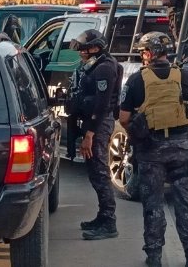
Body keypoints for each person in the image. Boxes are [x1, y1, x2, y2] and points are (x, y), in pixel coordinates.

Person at [119, 31, 188, 267]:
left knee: (153, 203)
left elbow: (123, 118)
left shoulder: (137, 80)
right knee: (185, 201)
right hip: (182, 148)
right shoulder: (184, 75)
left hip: (151, 150)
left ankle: (154, 256)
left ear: (149, 53)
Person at [66, 29, 123, 240]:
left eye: (84, 50)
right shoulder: (94, 65)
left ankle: (109, 222)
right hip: (92, 123)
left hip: (98, 124)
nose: (81, 53)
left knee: (99, 171)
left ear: (96, 48)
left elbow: (102, 104)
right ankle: (103, 215)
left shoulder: (105, 69)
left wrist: (90, 133)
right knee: (93, 171)